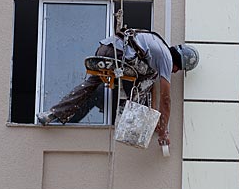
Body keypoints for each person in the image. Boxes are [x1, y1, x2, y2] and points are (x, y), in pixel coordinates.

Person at [36, 29, 199, 146]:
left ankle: (52, 113)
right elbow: (166, 99)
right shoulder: (166, 58)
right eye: (179, 69)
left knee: (91, 84)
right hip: (120, 56)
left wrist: (156, 120)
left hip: (104, 50)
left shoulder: (156, 43)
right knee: (149, 77)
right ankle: (132, 123)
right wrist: (163, 130)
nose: (175, 72)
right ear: (178, 62)